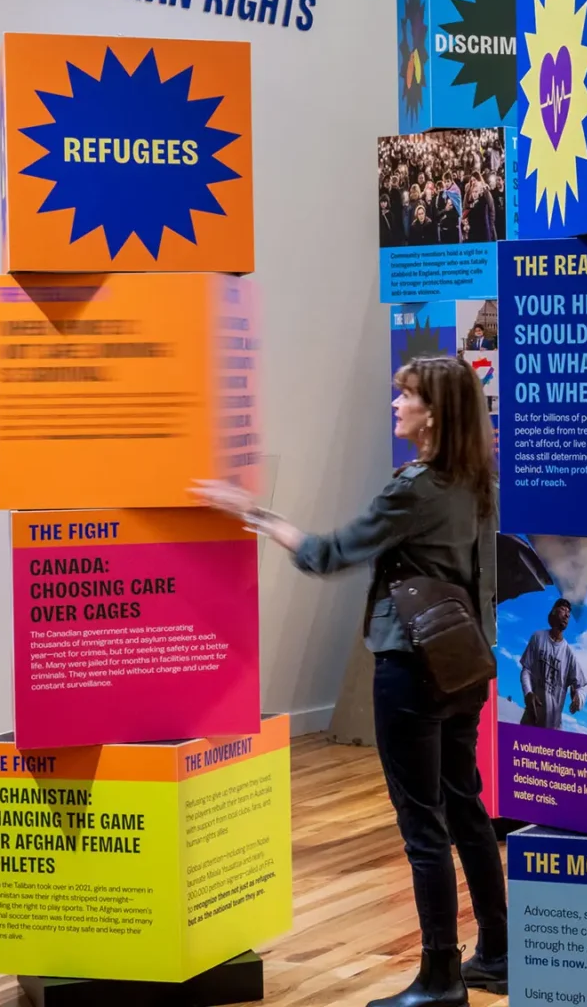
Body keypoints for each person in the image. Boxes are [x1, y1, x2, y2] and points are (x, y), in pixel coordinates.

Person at [194, 356, 506, 1004]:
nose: (397, 406)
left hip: (411, 670)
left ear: (434, 414)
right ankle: (498, 953)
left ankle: (442, 976)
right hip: (467, 665)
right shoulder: (478, 481)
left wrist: (250, 512)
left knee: (423, 826)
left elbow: (324, 553)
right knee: (467, 808)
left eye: (408, 397)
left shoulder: (413, 491)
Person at [518, 598, 585, 730]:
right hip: (531, 720)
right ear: (553, 612)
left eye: (569, 613)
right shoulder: (538, 637)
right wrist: (528, 693)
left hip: (553, 727)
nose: (567, 615)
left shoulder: (569, 654)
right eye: (563, 610)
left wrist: (579, 699)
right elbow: (526, 670)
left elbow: (580, 687)